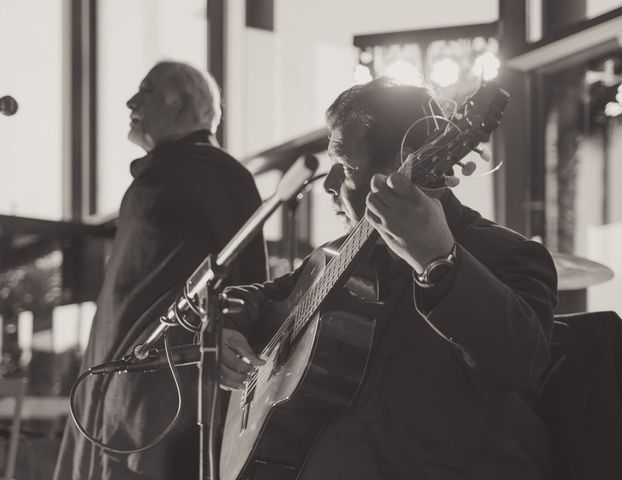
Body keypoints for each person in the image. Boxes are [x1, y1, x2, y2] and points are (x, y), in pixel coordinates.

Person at [220, 77, 558, 479]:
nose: (328, 184)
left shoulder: (509, 254)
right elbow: (255, 298)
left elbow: (521, 361)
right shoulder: (331, 257)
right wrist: (225, 328)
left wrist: (437, 259)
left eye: (344, 167)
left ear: (405, 163)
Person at [53, 61, 267, 480]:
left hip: (165, 403)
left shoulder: (219, 175)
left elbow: (245, 283)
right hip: (118, 392)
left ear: (184, 106)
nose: (131, 102)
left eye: (146, 92)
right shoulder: (160, 177)